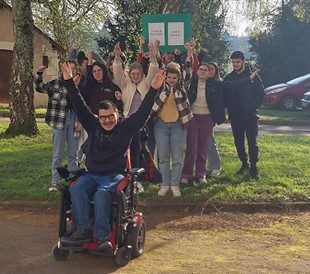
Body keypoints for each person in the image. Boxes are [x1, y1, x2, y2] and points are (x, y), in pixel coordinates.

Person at [61, 62, 166, 249]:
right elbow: (79, 104)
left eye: (110, 116)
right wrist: (69, 82)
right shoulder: (93, 125)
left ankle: (103, 237)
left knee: (102, 194)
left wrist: (153, 90)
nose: (107, 120)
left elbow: (142, 114)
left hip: (114, 175)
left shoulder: (125, 128)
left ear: (117, 114)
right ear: (98, 117)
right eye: (103, 117)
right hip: (92, 173)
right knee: (76, 189)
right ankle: (83, 229)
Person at [34, 60, 80, 191]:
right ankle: (55, 182)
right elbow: (38, 87)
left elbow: (83, 105)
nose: (70, 71)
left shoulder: (79, 84)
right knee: (57, 154)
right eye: (67, 68)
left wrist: (81, 122)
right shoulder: (55, 84)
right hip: (59, 120)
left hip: (74, 119)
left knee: (74, 153)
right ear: (62, 70)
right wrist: (39, 73)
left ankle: (73, 180)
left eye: (72, 69)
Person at [113, 41, 159, 168]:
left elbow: (153, 71)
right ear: (129, 74)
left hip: (144, 120)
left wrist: (154, 57)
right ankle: (130, 170)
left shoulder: (146, 83)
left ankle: (144, 170)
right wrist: (117, 57)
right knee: (129, 148)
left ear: (142, 74)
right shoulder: (125, 83)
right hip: (128, 119)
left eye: (138, 73)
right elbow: (117, 72)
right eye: (133, 73)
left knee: (143, 147)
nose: (136, 76)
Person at [152, 62, 193, 197]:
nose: (171, 80)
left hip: (178, 125)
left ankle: (175, 184)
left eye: (174, 78)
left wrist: (189, 55)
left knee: (177, 158)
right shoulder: (160, 88)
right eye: (169, 77)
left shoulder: (182, 88)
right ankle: (165, 184)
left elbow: (188, 74)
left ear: (178, 78)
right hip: (161, 125)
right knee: (163, 158)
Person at [181, 62, 225, 185]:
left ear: (208, 73)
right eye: (201, 69)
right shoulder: (191, 84)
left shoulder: (214, 85)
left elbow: (219, 102)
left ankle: (201, 174)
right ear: (197, 71)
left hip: (207, 118)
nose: (203, 71)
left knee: (203, 148)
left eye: (205, 70)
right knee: (191, 147)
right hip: (193, 118)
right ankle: (186, 174)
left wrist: (218, 116)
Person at [224, 51, 264, 179]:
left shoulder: (254, 77)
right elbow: (226, 95)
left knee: (253, 142)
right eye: (233, 62)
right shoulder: (229, 77)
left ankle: (254, 167)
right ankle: (244, 164)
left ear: (243, 62)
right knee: (238, 142)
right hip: (235, 116)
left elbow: (260, 94)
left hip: (250, 115)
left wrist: (253, 107)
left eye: (238, 61)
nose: (235, 64)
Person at [207, 62, 223, 177]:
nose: (210, 71)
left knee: (209, 141)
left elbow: (220, 102)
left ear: (216, 71)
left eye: (212, 69)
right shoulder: (202, 83)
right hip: (199, 115)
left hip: (211, 116)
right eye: (208, 69)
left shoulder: (218, 84)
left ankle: (215, 166)